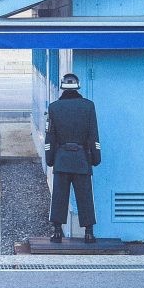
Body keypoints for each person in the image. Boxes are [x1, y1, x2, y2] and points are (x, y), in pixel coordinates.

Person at [45, 73, 102, 244]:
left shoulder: (54, 108)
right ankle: (89, 232)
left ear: (62, 87)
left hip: (62, 158)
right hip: (82, 158)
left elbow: (50, 137)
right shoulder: (88, 106)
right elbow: (93, 135)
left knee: (59, 197)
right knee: (85, 196)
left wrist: (50, 159)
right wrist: (95, 157)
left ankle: (57, 232)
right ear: (78, 87)